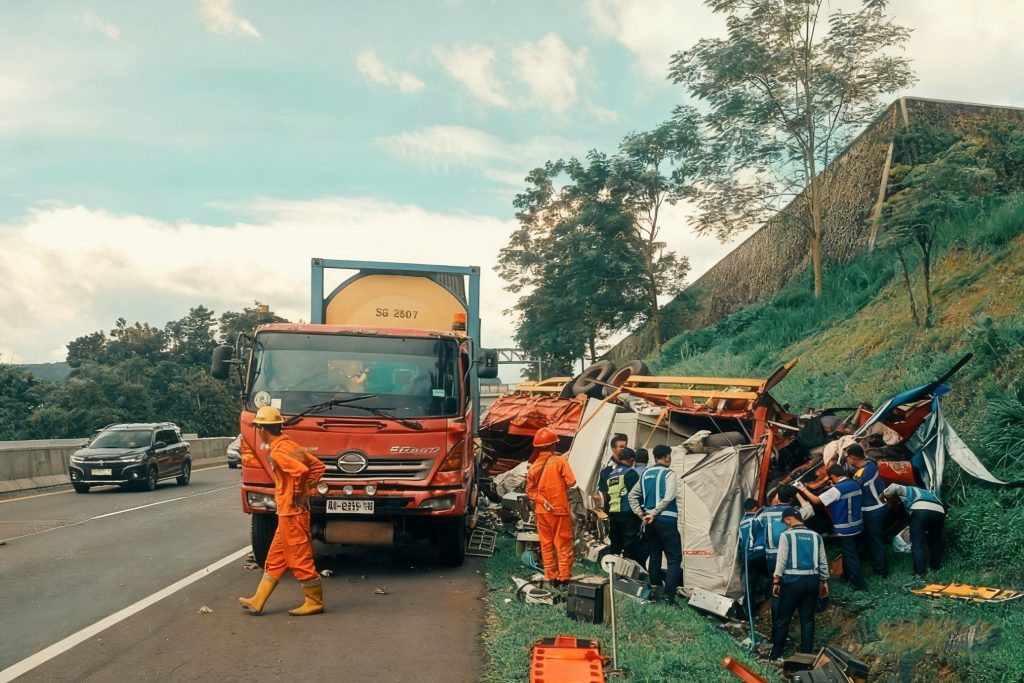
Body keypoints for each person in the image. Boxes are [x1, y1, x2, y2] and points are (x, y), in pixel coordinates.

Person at [239, 405, 327, 616]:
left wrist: (297, 494)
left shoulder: (278, 451)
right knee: (275, 558)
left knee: (299, 557)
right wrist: (305, 491)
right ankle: (258, 600)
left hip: (292, 513)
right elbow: (317, 467)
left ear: (262, 429)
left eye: (258, 427)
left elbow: (301, 471)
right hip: (289, 513)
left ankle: (314, 601)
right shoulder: (289, 444)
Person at [768, 507, 829, 660]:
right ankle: (806, 656)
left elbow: (781, 560)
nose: (786, 524)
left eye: (785, 521)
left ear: (789, 519)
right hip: (812, 581)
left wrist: (776, 580)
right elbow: (823, 560)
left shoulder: (786, 535)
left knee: (784, 618)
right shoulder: (816, 536)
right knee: (807, 620)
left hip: (792, 582)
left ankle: (776, 654)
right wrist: (824, 581)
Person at [797, 465, 868, 590]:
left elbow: (817, 501)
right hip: (857, 524)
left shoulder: (837, 489)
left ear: (834, 476)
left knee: (850, 555)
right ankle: (846, 575)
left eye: (831, 478)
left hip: (845, 527)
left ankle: (860, 584)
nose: (831, 481)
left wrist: (802, 489)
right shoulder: (854, 484)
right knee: (849, 551)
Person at [628, 444, 682, 605]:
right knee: (674, 558)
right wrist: (655, 512)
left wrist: (642, 514)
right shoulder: (669, 474)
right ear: (666, 456)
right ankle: (668, 597)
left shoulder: (645, 474)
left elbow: (632, 496)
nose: (670, 459)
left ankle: (654, 590)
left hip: (650, 523)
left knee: (655, 555)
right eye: (669, 456)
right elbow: (669, 496)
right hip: (667, 521)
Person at [526, 427, 577, 587]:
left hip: (542, 511)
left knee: (546, 544)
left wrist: (542, 499)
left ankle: (550, 577)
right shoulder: (560, 461)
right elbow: (571, 481)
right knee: (563, 545)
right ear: (554, 445)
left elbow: (530, 491)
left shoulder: (533, 467)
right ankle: (564, 578)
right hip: (559, 510)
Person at [883, 483, 946, 578]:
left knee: (918, 543)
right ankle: (935, 568)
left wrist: (882, 496)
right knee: (935, 541)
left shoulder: (907, 489)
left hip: (920, 509)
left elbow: (893, 487)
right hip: (940, 511)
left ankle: (919, 574)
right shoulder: (927, 493)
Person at [845, 444, 889, 577]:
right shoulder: (871, 464)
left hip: (872, 511)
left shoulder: (861, 475)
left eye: (848, 457)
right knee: (876, 538)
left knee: (874, 542)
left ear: (853, 458)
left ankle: (881, 573)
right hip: (882, 506)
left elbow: (851, 488)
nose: (848, 460)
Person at [596, 447, 643, 563]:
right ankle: (627, 569)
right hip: (629, 514)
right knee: (630, 546)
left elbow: (607, 495)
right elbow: (637, 494)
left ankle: (612, 568)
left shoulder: (611, 474)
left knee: (615, 545)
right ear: (631, 460)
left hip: (614, 514)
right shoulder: (630, 473)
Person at [739, 497, 768, 617]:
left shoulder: (742, 523)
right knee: (774, 578)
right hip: (761, 555)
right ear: (756, 508)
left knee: (750, 587)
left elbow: (741, 542)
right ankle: (770, 606)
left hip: (748, 558)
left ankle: (749, 614)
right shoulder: (759, 518)